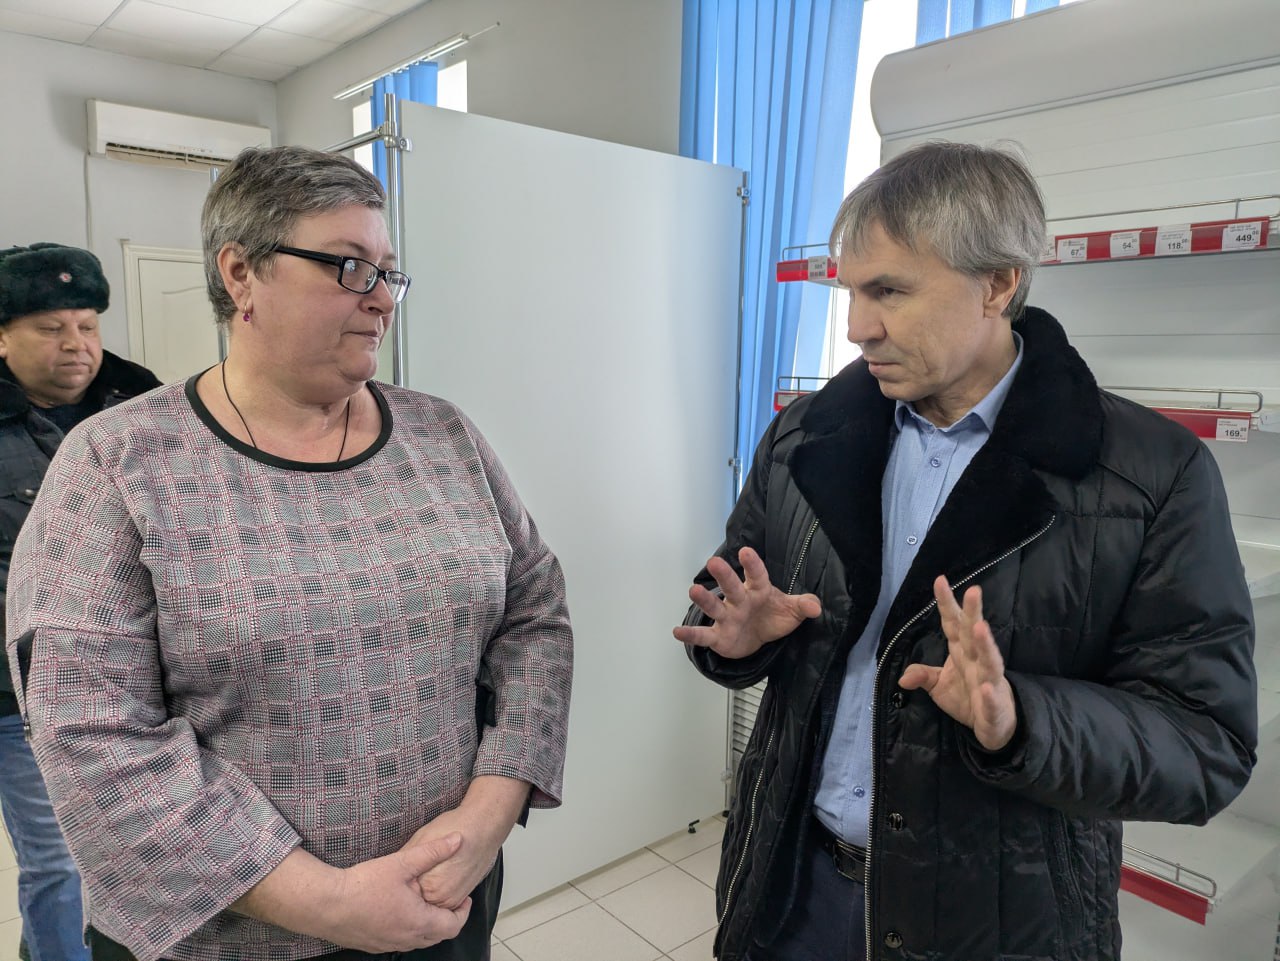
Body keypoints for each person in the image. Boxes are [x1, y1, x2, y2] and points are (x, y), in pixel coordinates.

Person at [674, 141, 1257, 961]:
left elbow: (1206, 744)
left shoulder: (1151, 476)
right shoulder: (807, 435)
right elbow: (725, 596)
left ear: (998, 282)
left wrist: (1023, 718)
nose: (857, 327)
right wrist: (738, 640)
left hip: (996, 927)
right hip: (790, 894)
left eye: (889, 291)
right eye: (851, 291)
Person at [5, 145, 574, 961]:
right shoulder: (118, 461)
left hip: (443, 904)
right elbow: (91, 729)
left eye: (388, 271)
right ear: (241, 273)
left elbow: (535, 613)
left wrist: (489, 811)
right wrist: (326, 901)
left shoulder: (444, 434)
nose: (382, 298)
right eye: (349, 266)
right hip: (231, 938)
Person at [0, 242, 162, 961]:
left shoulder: (143, 405)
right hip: (20, 694)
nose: (76, 344)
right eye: (50, 328)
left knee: (136, 850)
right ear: (3, 337)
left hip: (135, 683)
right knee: (60, 863)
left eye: (87, 325)